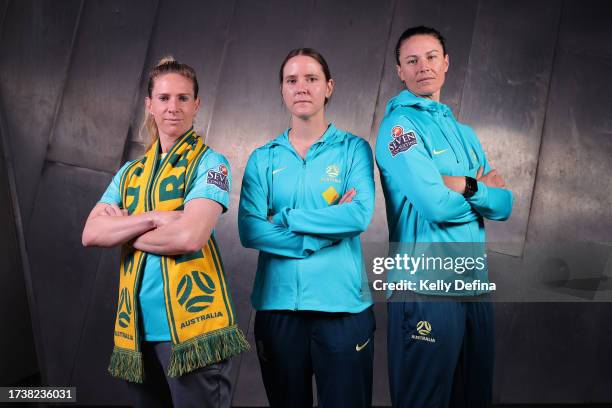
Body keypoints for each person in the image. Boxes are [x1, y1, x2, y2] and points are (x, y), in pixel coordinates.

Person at [82, 57, 248, 408]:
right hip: (136, 334)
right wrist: (154, 218)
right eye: (164, 98)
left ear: (196, 104)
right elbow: (92, 232)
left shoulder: (210, 162)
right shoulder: (129, 173)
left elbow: (190, 237)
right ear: (150, 105)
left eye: (183, 98)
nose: (173, 107)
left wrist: (124, 229)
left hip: (193, 334)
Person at [375, 26, 513, 407]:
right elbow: (434, 204)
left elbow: (504, 205)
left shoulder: (464, 133)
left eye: (432, 57)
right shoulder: (399, 128)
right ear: (400, 71)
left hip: (474, 288)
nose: (424, 67)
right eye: (412, 60)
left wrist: (465, 186)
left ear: (446, 62)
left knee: (473, 399)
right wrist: (480, 190)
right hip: (424, 290)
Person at [238, 48, 376, 408]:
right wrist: (315, 239)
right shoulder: (263, 157)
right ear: (282, 90)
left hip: (343, 310)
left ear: (328, 87)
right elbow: (251, 230)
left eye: (311, 78)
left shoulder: (354, 149)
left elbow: (358, 216)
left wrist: (287, 217)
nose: (301, 87)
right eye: (291, 80)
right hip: (279, 309)